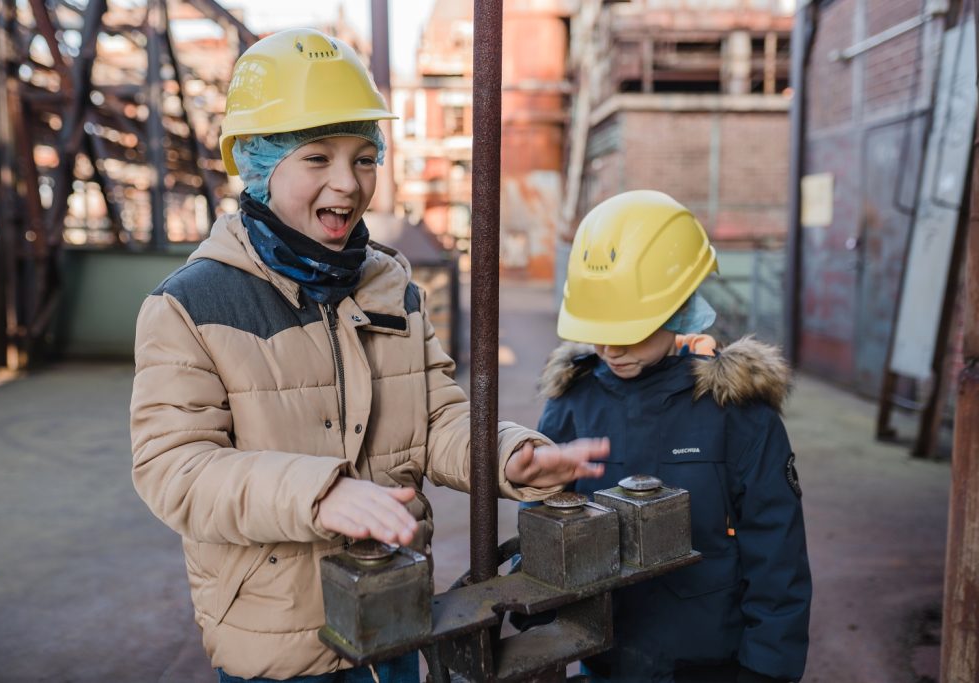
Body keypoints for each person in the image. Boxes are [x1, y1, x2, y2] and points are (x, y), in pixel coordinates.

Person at [129, 28, 609, 683]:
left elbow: (437, 416)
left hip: (392, 617)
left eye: (363, 157)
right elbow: (175, 469)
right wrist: (318, 494)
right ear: (258, 163)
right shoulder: (192, 304)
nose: (347, 184)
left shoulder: (389, 282)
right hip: (278, 645)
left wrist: (513, 455)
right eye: (317, 157)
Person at [532, 190, 811, 683]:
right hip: (605, 657)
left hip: (709, 664)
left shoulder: (735, 410)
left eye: (630, 329)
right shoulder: (573, 402)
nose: (611, 348)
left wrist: (768, 669)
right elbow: (546, 522)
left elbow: (777, 553)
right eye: (599, 327)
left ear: (679, 306)